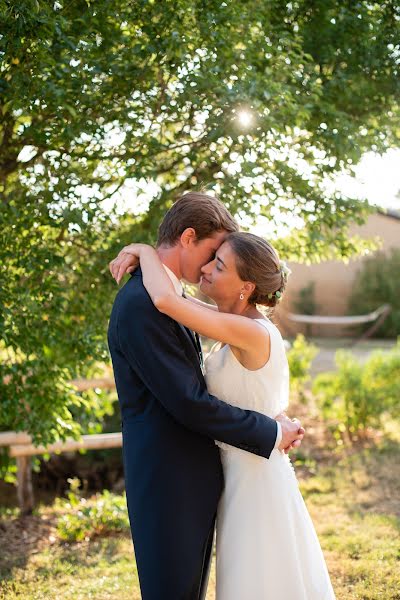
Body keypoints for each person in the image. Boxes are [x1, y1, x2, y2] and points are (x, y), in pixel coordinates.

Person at [107, 192, 305, 600]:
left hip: (205, 479)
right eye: (213, 253)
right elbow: (188, 402)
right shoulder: (143, 303)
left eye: (222, 263)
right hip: (168, 480)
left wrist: (144, 252)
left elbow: (176, 304)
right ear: (189, 237)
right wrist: (269, 431)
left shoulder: (179, 302)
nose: (211, 269)